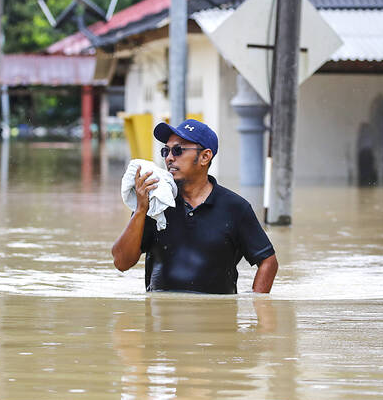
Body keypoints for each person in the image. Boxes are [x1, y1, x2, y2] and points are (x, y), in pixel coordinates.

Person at [112, 119, 278, 293]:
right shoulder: (155, 203)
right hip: (162, 317)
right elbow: (121, 263)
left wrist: (257, 308)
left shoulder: (235, 208)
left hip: (215, 316)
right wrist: (140, 210)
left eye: (178, 150)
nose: (169, 157)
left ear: (205, 157)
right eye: (165, 151)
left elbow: (268, 261)